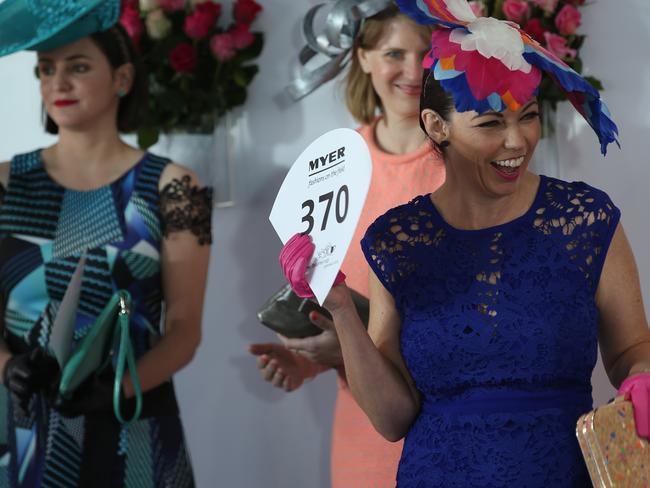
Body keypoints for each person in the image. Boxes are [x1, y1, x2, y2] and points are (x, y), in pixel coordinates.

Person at [279, 0, 650, 486]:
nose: (517, 141)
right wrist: (343, 308)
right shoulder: (396, 240)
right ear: (437, 126)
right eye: (491, 123)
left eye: (529, 116)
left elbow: (631, 350)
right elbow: (391, 419)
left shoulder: (585, 220)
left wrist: (641, 378)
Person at [0, 1, 211, 486]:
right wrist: (9, 366)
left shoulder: (175, 186)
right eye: (46, 70)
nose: (58, 83)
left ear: (122, 78)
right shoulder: (6, 184)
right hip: (24, 427)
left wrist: (120, 387)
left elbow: (184, 328)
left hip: (133, 426)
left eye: (77, 67)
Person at [249, 4, 445, 486]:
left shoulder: (459, 164)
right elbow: (327, 296)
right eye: (394, 52)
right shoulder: (331, 170)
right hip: (361, 440)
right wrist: (303, 360)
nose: (413, 69)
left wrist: (345, 349)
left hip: (445, 426)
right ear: (361, 57)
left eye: (426, 53)